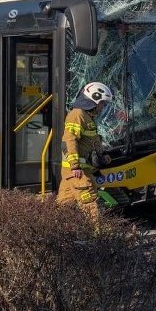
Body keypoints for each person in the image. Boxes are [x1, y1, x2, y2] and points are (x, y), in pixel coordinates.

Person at [58, 81, 114, 222]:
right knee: (90, 206)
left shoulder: (88, 118)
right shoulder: (77, 115)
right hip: (78, 172)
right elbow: (68, 141)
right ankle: (98, 239)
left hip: (74, 173)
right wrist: (75, 165)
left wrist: (102, 156)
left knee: (63, 208)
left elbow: (92, 142)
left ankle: (56, 236)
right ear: (94, 100)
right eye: (102, 103)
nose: (103, 107)